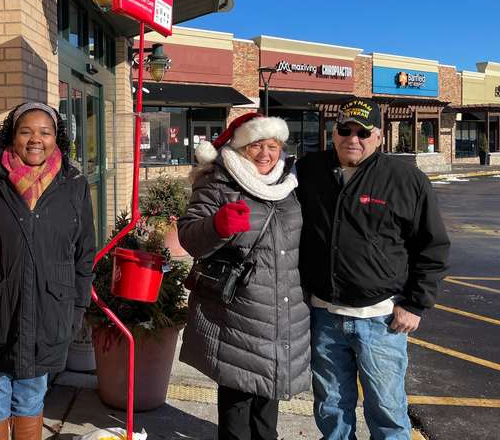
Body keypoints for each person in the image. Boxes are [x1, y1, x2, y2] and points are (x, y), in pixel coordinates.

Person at [296, 97, 450, 440]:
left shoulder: (405, 179)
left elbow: (432, 246)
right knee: (331, 407)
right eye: (345, 130)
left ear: (379, 136)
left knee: (387, 410)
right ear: (333, 133)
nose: (354, 138)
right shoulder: (309, 171)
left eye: (363, 131)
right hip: (324, 316)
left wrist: (415, 304)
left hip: (382, 321)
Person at [0, 102, 95, 440]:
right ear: (12, 136)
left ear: (57, 138)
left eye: (45, 132)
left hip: (49, 312)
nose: (36, 139)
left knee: (31, 400)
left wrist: (77, 308)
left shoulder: (73, 184)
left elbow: (84, 254)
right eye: (26, 131)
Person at [178, 113, 310, 440]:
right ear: (240, 148)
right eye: (255, 146)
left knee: (268, 404)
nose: (265, 154)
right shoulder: (218, 182)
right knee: (237, 406)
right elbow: (189, 237)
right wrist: (218, 226)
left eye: (273, 146)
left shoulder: (290, 185)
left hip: (283, 313)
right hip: (238, 313)